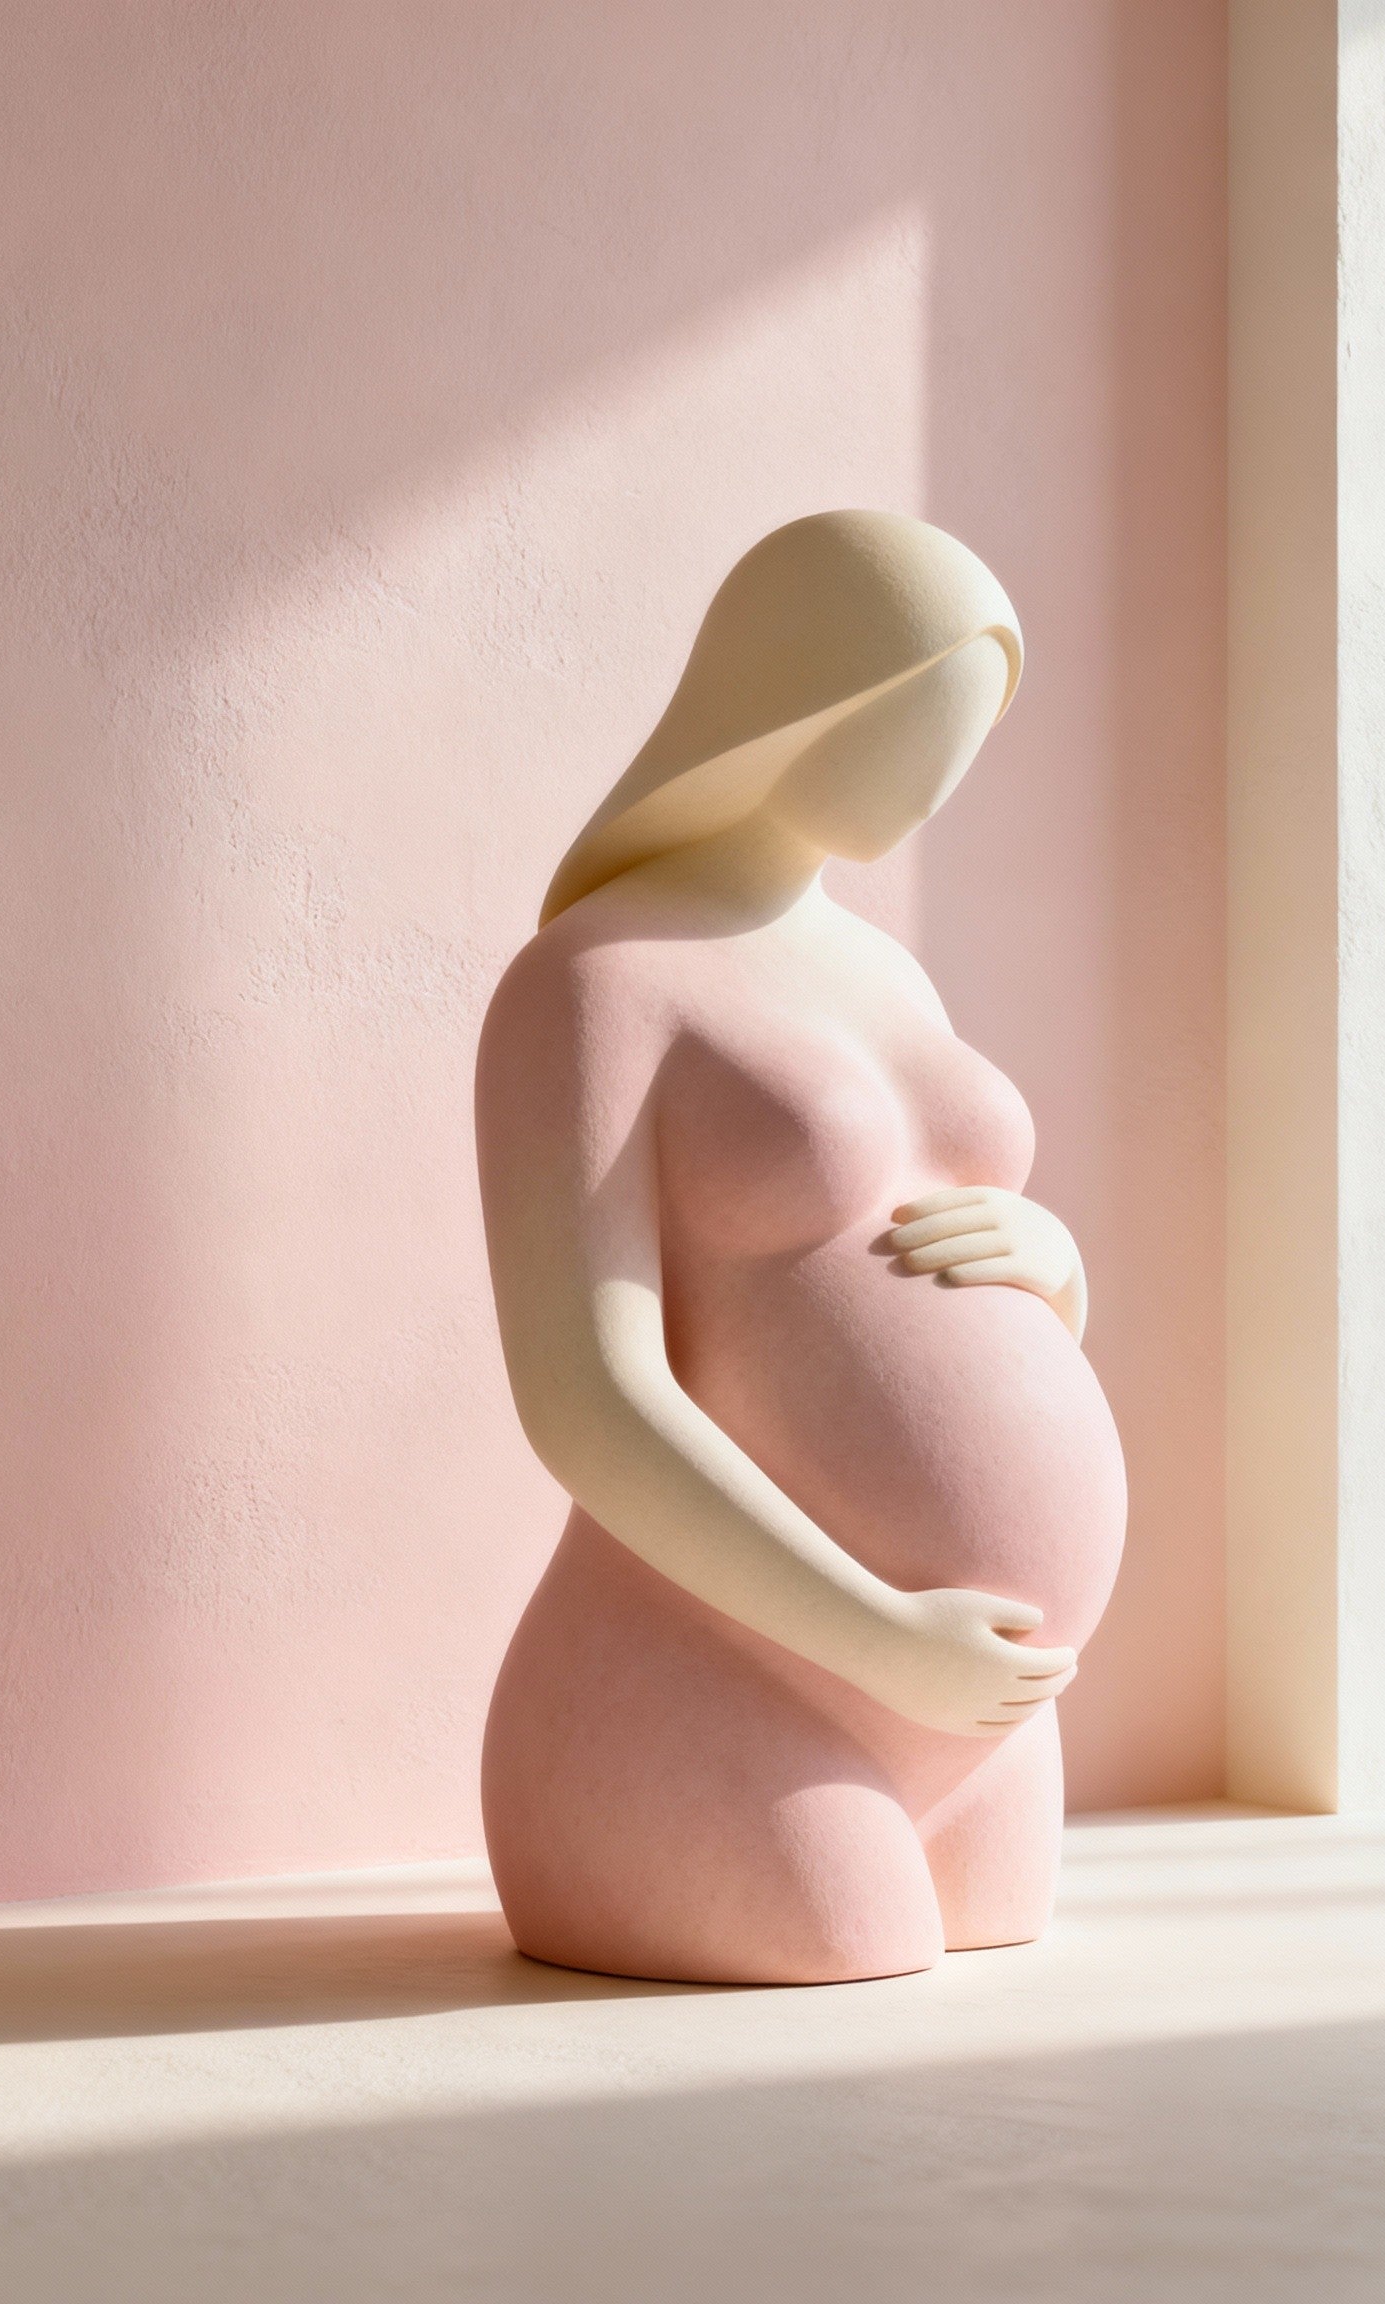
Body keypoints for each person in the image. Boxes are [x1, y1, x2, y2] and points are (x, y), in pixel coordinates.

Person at [475, 510, 1126, 1983]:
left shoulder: (883, 972)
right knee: (851, 1974)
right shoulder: (593, 983)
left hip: (982, 1725)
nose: (945, 779)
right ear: (802, 694)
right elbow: (585, 1396)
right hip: (723, 1699)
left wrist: (1051, 1267)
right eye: (921, 726)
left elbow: (914, 1272)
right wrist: (877, 1633)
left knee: (974, 1962)